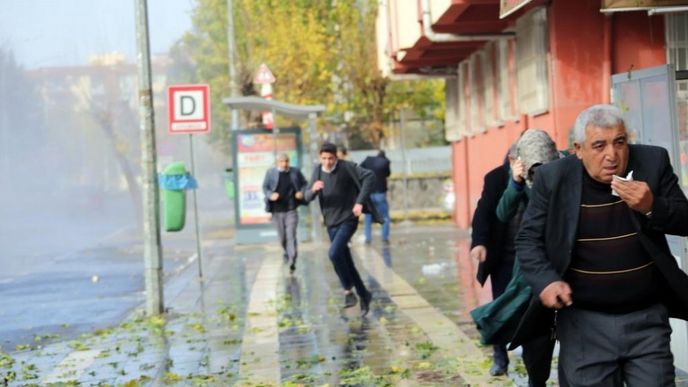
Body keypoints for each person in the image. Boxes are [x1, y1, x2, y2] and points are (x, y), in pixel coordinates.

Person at [512, 104, 688, 386]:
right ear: (578, 149)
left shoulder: (652, 162)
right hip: (584, 322)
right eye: (599, 145)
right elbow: (528, 238)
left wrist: (653, 206)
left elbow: (684, 220)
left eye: (619, 142)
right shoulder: (554, 178)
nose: (612, 155)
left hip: (647, 318)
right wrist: (546, 282)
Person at [303, 142, 380, 317]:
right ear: (319, 157)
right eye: (324, 158)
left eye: (330, 158)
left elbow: (369, 177)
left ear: (336, 157)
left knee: (333, 253)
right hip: (331, 222)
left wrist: (359, 202)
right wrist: (313, 190)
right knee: (347, 262)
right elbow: (307, 196)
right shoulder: (317, 170)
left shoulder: (347, 167)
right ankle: (364, 294)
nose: (327, 162)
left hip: (348, 218)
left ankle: (347, 291)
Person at [469, 146, 513, 376]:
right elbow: (482, 212)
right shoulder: (496, 178)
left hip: (534, 258)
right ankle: (500, 356)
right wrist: (479, 242)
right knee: (501, 308)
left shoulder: (542, 175)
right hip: (504, 257)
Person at [262, 153, 307, 274]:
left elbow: (304, 184)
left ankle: (292, 260)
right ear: (277, 162)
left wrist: (300, 192)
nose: (284, 164)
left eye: (286, 161)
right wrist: (271, 195)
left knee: (291, 235)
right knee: (282, 238)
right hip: (276, 211)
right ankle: (286, 252)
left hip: (291, 209)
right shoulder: (270, 173)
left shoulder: (295, 172)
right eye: (282, 161)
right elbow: (265, 187)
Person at [361, 150, 391, 244]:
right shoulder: (385, 162)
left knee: (368, 216)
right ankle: (384, 237)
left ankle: (367, 238)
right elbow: (387, 174)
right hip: (380, 193)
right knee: (384, 216)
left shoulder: (368, 159)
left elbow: (360, 169)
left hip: (369, 193)